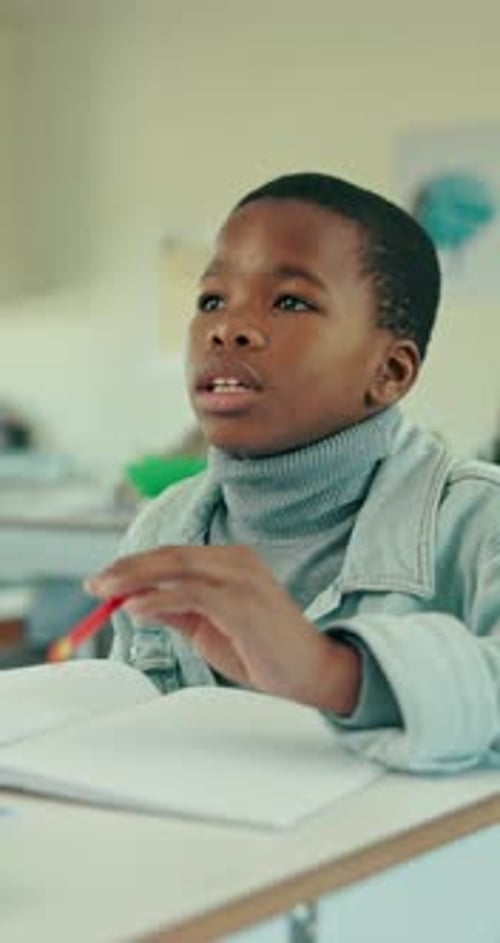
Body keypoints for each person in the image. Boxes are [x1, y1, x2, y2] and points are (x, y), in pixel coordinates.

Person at [85, 172, 500, 773]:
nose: (228, 328)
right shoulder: (163, 527)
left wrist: (332, 672)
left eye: (289, 301)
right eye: (211, 300)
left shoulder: (480, 522)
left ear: (390, 371)